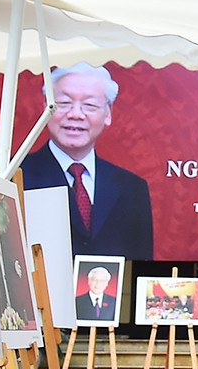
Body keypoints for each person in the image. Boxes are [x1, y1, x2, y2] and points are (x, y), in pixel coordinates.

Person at [21, 63, 154, 261]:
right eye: (64, 103)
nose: (75, 114)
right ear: (46, 108)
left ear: (108, 114)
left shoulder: (132, 188)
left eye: (89, 105)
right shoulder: (13, 177)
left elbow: (140, 266)